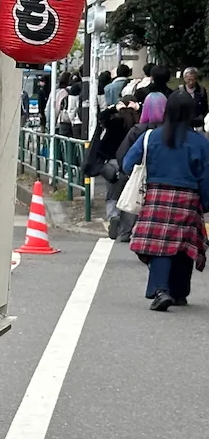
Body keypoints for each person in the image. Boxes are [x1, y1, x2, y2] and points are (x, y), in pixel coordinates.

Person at [120, 90, 209, 309]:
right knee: (183, 245)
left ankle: (160, 290)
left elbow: (127, 164)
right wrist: (205, 203)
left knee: (159, 245)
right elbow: (206, 176)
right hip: (188, 198)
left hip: (156, 194)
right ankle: (179, 292)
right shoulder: (200, 142)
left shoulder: (151, 136)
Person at [115, 91, 164, 242]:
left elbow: (123, 157)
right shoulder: (173, 132)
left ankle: (125, 231)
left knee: (132, 201)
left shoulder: (138, 130)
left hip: (141, 176)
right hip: (165, 180)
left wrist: (129, 171)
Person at [88, 89, 135, 238]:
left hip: (112, 163)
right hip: (133, 165)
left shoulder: (114, 121)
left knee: (113, 195)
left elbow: (101, 117)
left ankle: (114, 217)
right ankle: (126, 231)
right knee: (130, 198)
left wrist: (114, 107)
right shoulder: (138, 123)